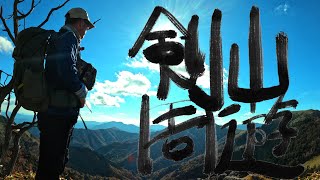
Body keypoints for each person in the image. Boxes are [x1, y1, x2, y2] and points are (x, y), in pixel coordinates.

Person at [35, 7, 94, 180]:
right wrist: (81, 91)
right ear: (81, 23)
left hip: (50, 109)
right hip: (59, 112)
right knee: (54, 163)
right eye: (86, 27)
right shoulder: (69, 38)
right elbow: (65, 70)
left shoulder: (58, 38)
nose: (86, 31)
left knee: (47, 161)